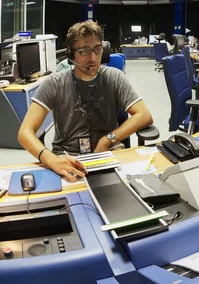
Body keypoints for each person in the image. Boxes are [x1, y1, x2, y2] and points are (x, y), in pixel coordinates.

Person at [18, 21, 154, 181]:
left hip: (108, 152)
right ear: (70, 54)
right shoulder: (54, 83)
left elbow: (144, 115)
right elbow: (24, 133)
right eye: (84, 51)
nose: (93, 57)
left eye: (97, 49)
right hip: (67, 157)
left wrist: (108, 139)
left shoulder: (114, 77)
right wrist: (49, 158)